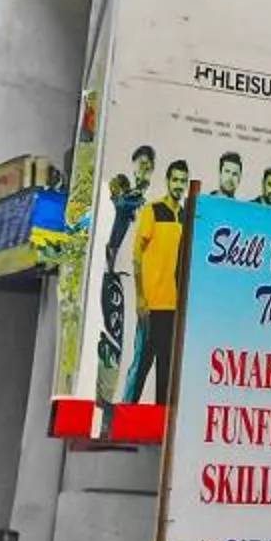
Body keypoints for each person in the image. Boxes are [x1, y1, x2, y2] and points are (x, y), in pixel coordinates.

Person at [125, 160, 191, 401]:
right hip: (151, 305)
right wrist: (140, 296)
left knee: (166, 369)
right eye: (175, 180)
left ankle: (159, 425)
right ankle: (125, 415)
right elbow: (136, 257)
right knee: (141, 364)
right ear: (167, 181)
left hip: (174, 307)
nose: (179, 185)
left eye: (183, 181)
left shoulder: (186, 217)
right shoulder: (152, 211)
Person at [96, 146, 155, 399]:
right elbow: (121, 207)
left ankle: (123, 398)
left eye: (148, 165)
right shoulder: (127, 196)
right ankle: (115, 398)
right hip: (123, 273)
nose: (144, 168)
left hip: (142, 275)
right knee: (124, 334)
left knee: (139, 339)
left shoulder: (150, 199)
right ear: (133, 164)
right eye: (141, 163)